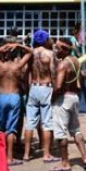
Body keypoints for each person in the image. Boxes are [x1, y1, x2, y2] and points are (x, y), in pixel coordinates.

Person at [0, 42, 32, 165]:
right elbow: (31, 52)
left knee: (0, 127)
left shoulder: (0, 65)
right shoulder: (18, 65)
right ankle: (10, 157)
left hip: (2, 96)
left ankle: (1, 155)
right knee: (11, 129)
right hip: (15, 97)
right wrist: (20, 46)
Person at [50, 39, 86, 171]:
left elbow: (57, 86)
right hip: (74, 97)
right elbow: (79, 83)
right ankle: (85, 158)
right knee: (76, 130)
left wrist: (52, 99)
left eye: (59, 48)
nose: (56, 50)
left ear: (66, 49)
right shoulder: (75, 61)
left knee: (61, 133)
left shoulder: (63, 64)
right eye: (56, 47)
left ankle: (65, 163)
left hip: (63, 99)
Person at [25, 29, 57, 163]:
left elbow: (27, 73)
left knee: (30, 123)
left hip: (33, 87)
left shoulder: (30, 54)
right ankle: (46, 154)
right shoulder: (50, 54)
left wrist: (29, 88)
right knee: (47, 122)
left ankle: (26, 154)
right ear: (46, 40)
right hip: (45, 87)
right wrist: (55, 89)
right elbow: (53, 73)